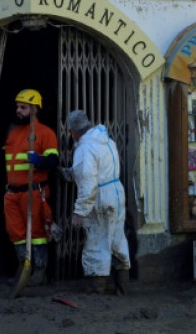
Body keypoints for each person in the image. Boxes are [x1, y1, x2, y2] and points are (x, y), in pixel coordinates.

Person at [0, 89, 59, 286]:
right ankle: (23, 267)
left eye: (23, 107)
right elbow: (7, 155)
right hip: (12, 193)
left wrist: (40, 160)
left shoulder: (45, 133)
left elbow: (53, 160)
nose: (18, 111)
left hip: (34, 192)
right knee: (16, 233)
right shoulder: (13, 133)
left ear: (35, 109)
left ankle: (39, 270)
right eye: (17, 107)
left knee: (37, 233)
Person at [65, 110, 131, 295]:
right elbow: (101, 170)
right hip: (116, 192)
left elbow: (88, 181)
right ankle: (122, 286)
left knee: (97, 241)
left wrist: (80, 210)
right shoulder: (108, 140)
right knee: (117, 238)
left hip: (100, 197)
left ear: (72, 131)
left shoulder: (85, 148)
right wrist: (71, 173)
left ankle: (96, 287)